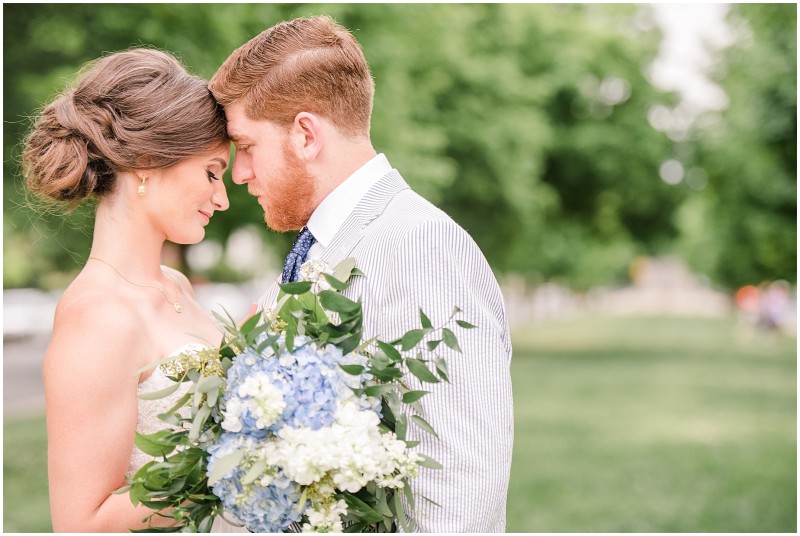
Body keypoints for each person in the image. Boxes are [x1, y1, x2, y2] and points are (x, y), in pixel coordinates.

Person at [209, 15, 514, 532]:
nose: (239, 173)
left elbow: (460, 493)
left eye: (247, 145)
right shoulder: (328, 245)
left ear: (305, 134)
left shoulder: (420, 249)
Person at [22, 48, 238, 532]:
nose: (221, 198)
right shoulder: (98, 317)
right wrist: (242, 463)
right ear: (145, 161)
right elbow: (82, 523)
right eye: (211, 172)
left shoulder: (177, 285)